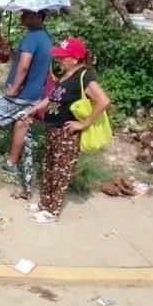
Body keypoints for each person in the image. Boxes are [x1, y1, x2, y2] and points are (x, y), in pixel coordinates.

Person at [22, 37, 110, 224]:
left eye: (63, 57)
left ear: (75, 59)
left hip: (66, 132)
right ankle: (45, 203)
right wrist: (35, 109)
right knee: (50, 166)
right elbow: (53, 98)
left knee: (61, 171)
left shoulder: (84, 76)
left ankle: (52, 211)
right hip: (52, 129)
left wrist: (84, 123)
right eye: (59, 56)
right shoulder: (65, 75)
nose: (59, 60)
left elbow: (104, 101)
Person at [0, 9, 54, 173]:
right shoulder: (46, 36)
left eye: (27, 13)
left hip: (20, 92)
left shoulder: (31, 37)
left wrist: (15, 88)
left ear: (38, 16)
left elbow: (24, 66)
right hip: (34, 93)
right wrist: (10, 51)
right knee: (21, 123)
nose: (22, 15)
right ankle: (12, 163)